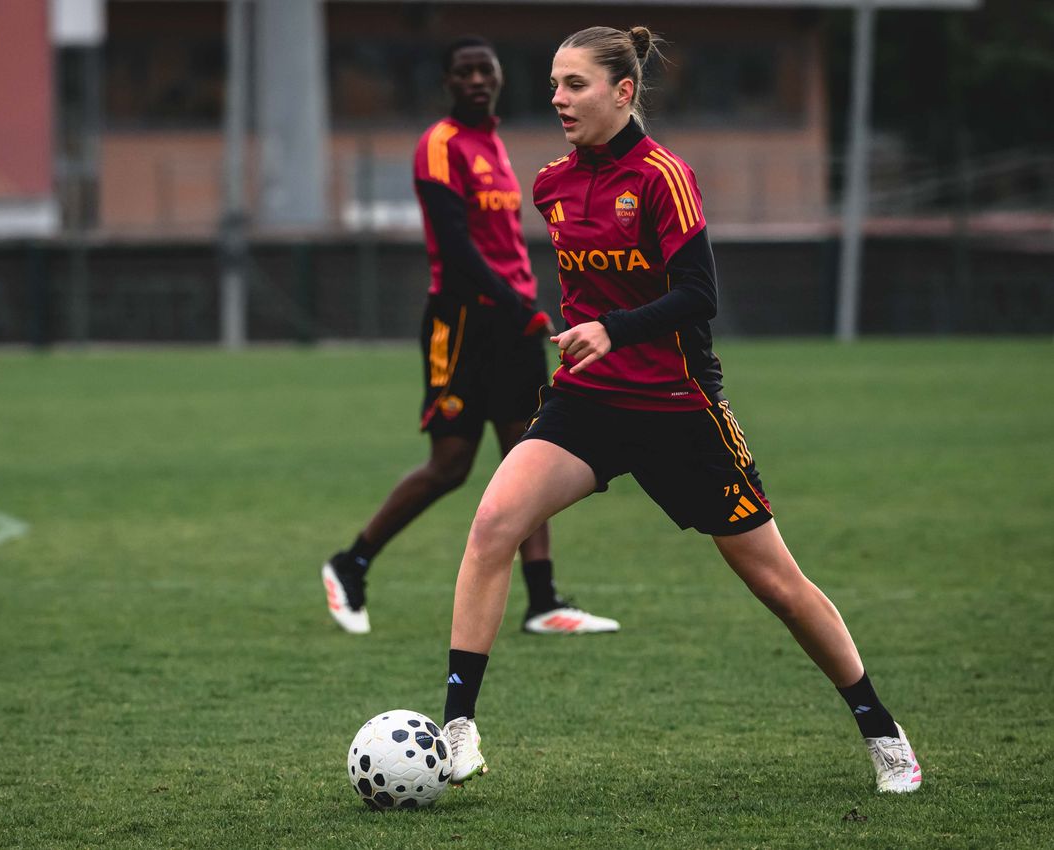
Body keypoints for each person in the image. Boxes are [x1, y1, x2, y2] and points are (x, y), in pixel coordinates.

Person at [439, 26, 921, 795]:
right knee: (494, 522)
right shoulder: (551, 184)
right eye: (554, 84)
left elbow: (701, 296)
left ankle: (880, 729)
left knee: (777, 585)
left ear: (622, 91)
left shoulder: (664, 176)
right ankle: (456, 727)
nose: (557, 99)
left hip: (678, 408)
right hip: (589, 404)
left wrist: (611, 328)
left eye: (574, 85)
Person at [320, 36, 619, 638]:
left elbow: (503, 245)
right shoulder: (440, 144)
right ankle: (350, 564)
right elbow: (455, 250)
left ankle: (542, 602)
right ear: (450, 82)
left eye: (486, 69)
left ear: (501, 77)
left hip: (512, 321)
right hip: (461, 324)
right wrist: (519, 306)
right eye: (464, 71)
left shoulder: (495, 146)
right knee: (450, 465)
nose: (477, 78)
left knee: (529, 456)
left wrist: (525, 304)